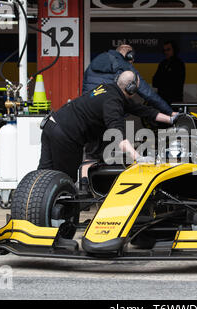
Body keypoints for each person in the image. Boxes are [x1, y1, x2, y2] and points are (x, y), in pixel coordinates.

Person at [38, 71, 179, 196]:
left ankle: (32, 215)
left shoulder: (109, 90)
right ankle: (63, 221)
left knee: (42, 177)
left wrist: (171, 118)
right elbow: (119, 137)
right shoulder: (113, 103)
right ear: (132, 88)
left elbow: (143, 110)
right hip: (66, 135)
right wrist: (138, 157)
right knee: (64, 182)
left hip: (51, 124)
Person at [82, 44, 176, 181]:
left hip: (91, 115)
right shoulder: (124, 66)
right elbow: (148, 94)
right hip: (113, 114)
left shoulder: (93, 64)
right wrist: (169, 112)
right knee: (118, 153)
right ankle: (114, 189)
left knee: (91, 156)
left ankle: (85, 189)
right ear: (129, 56)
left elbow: (85, 90)